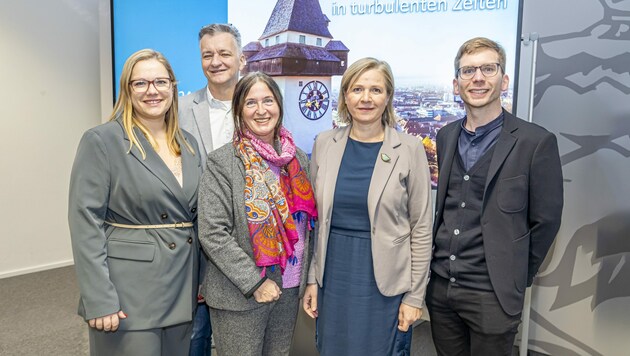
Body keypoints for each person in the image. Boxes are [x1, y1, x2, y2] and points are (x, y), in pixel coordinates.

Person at [426, 37, 564, 356]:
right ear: (455, 83)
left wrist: (515, 276)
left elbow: (546, 222)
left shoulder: (535, 142)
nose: (477, 78)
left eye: (488, 68)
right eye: (468, 70)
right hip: (442, 288)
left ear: (504, 80)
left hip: (494, 295)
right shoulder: (445, 136)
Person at [68, 49, 202, 355]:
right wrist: (99, 299)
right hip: (129, 294)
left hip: (182, 287)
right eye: (140, 83)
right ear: (127, 90)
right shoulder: (103, 141)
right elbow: (84, 223)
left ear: (173, 86)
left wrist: (201, 279)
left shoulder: (189, 143)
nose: (152, 91)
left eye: (160, 82)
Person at [302, 57, 433, 355]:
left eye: (375, 90)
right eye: (357, 89)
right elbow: (315, 221)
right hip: (332, 276)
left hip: (385, 284)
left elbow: (422, 228)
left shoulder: (409, 149)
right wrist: (312, 279)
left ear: (388, 97)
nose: (365, 98)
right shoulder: (324, 143)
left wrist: (414, 297)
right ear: (345, 96)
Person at [197, 72, 317, 356]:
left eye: (268, 100)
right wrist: (255, 282)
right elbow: (213, 233)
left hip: (288, 285)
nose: (261, 110)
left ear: (279, 106)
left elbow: (307, 226)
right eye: (251, 103)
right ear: (239, 110)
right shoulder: (223, 162)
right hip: (240, 293)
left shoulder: (297, 159)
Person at [178, 23, 246, 355]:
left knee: (243, 339)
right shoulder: (179, 109)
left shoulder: (261, 108)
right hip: (196, 245)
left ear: (241, 59)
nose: (215, 61)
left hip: (248, 245)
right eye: (208, 54)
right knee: (196, 337)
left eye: (224, 53)